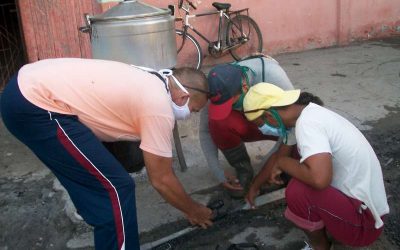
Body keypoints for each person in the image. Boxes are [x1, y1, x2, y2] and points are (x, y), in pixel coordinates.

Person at [0, 58, 213, 250]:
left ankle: (93, 212)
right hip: (36, 105)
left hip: (26, 87)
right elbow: (161, 179)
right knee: (116, 189)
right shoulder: (158, 106)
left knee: (95, 175)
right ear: (183, 95)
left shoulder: (152, 77)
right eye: (193, 110)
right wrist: (193, 210)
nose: (188, 116)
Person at [243, 83, 389, 249]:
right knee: (298, 162)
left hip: (364, 225)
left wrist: (282, 163)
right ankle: (328, 224)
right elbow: (280, 156)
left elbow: (319, 180)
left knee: (298, 191)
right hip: (367, 209)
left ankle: (320, 246)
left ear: (269, 115)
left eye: (258, 123)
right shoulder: (304, 115)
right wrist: (256, 186)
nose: (261, 128)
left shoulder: (307, 123)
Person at [199, 55, 296, 197]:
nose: (229, 106)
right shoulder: (217, 86)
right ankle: (244, 169)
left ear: (245, 86)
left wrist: (268, 166)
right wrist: (218, 172)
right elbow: (205, 131)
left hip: (276, 124)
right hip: (251, 125)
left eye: (231, 102)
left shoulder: (272, 76)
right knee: (218, 121)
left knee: (299, 149)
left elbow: (293, 126)